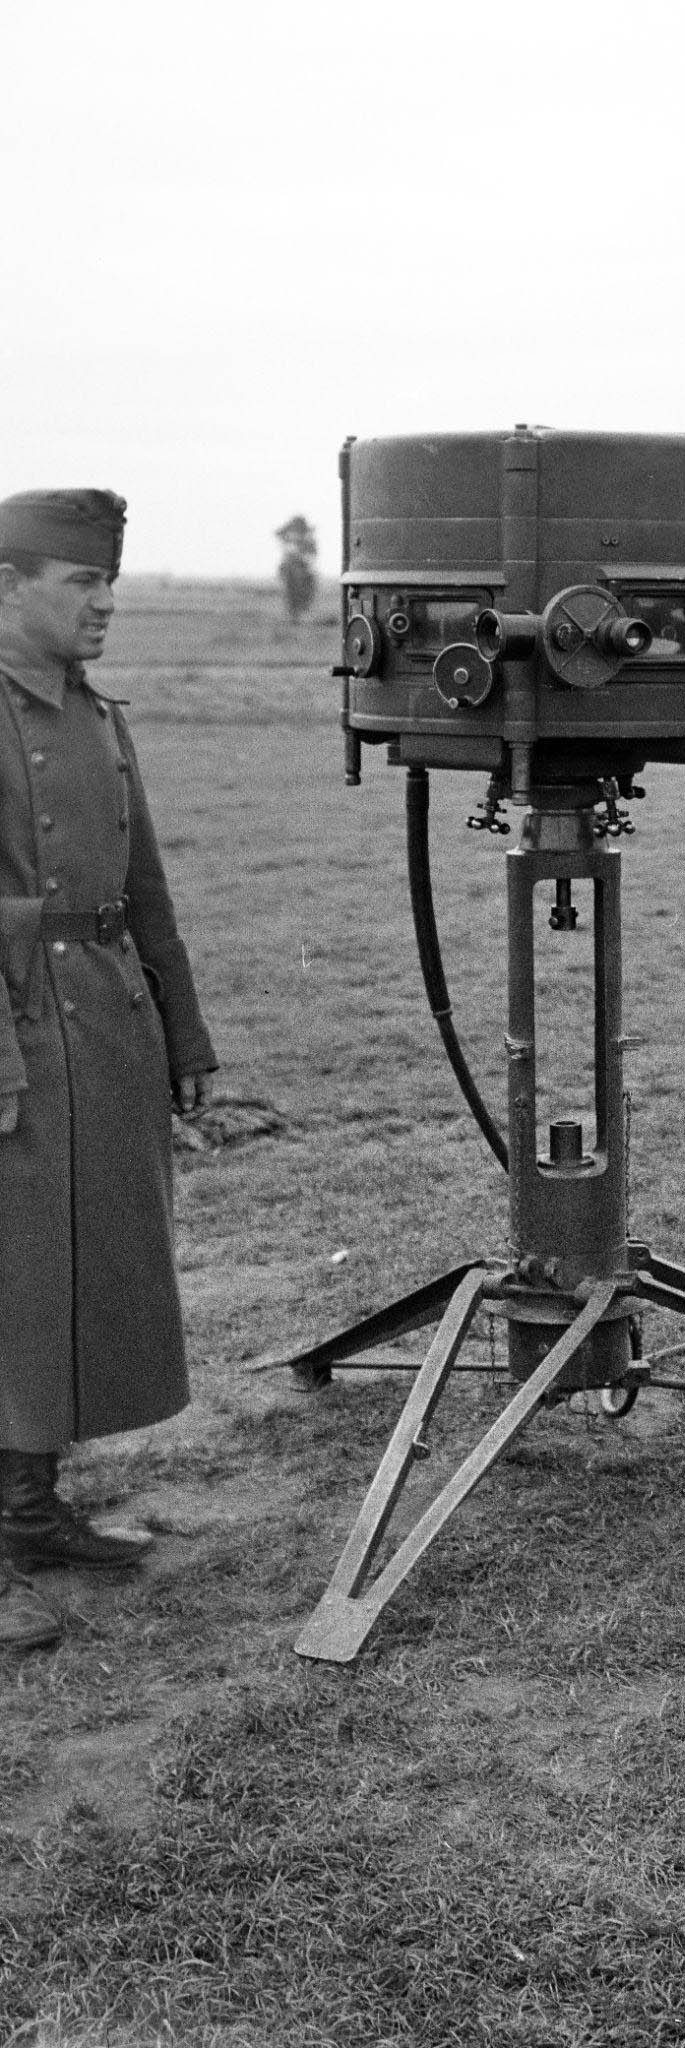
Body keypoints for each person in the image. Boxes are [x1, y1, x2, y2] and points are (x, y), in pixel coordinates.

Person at [0, 490, 217, 1653]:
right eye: (81, 581)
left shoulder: (95, 714)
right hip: (17, 1022)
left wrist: (185, 1036)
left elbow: (146, 889)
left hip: (101, 1020)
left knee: (64, 1280)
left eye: (109, 580)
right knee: (11, 1280)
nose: (106, 602)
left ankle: (31, 1512)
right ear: (8, 585)